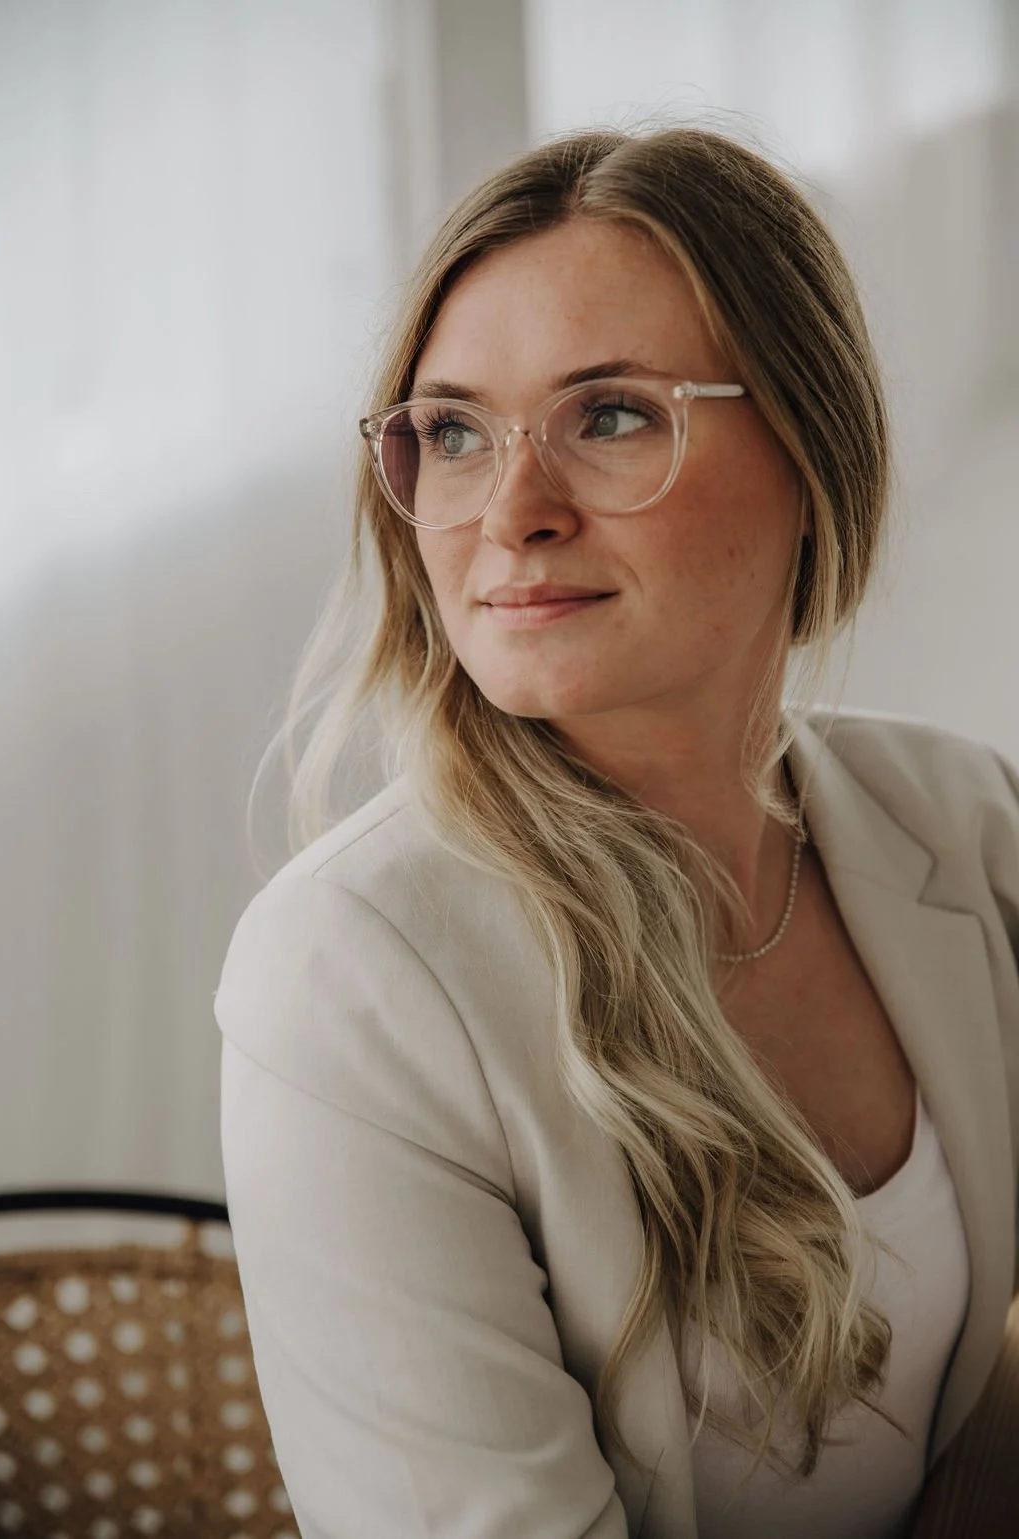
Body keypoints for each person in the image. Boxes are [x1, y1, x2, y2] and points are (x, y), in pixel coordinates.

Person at [213, 126, 1019, 1539]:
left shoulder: (966, 822)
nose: (510, 514)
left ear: (812, 442)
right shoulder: (348, 976)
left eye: (612, 415)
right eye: (453, 431)